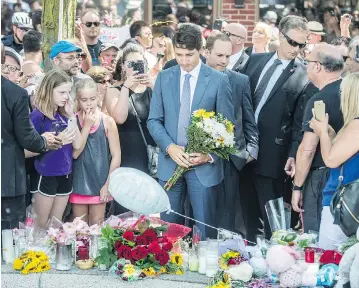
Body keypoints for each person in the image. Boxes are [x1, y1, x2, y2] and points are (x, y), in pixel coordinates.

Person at [147, 23, 235, 239]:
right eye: (179, 55)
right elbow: (153, 121)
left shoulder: (219, 80)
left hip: (203, 169)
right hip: (170, 165)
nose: (184, 61)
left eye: (189, 55)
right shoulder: (164, 77)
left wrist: (209, 155)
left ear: (201, 50)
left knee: (205, 233)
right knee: (168, 232)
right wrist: (170, 147)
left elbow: (229, 128)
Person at [240, 15, 311, 240]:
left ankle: (275, 258)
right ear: (280, 36)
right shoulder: (255, 61)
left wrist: (292, 154)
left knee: (272, 216)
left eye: (302, 45)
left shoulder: (303, 74)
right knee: (246, 212)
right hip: (242, 150)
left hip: (273, 155)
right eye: (293, 43)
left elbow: (299, 123)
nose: (297, 49)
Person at [1, 44, 62, 230]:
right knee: (8, 241)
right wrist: (45, 141)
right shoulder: (14, 93)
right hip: (7, 180)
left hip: (8, 178)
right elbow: (28, 138)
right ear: (3, 60)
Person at [204, 33, 258, 233]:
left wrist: (251, 150)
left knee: (227, 212)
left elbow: (248, 119)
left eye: (227, 56)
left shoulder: (240, 81)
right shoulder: (193, 78)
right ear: (206, 52)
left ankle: (225, 254)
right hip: (197, 156)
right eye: (219, 55)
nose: (224, 61)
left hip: (231, 157)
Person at [291, 43, 344, 233]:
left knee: (316, 237)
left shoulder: (319, 99)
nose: (306, 65)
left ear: (318, 66)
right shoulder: (351, 91)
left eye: (308, 61)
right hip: (349, 175)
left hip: (322, 176)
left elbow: (308, 149)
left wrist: (297, 187)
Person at [309, 72, 359, 249]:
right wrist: (329, 133)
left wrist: (322, 132)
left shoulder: (356, 125)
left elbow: (331, 160)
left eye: (343, 92)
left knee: (330, 259)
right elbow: (345, 153)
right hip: (348, 200)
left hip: (342, 202)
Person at [104, 43, 155, 214]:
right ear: (122, 66)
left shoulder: (153, 88)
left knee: (149, 208)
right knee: (126, 210)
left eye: (139, 64)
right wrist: (126, 87)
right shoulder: (114, 90)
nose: (135, 68)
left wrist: (154, 86)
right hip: (127, 156)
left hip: (152, 156)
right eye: (130, 64)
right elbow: (119, 117)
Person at [28, 69, 82, 229]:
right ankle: (37, 254)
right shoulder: (38, 116)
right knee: (41, 225)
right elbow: (26, 150)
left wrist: (72, 116)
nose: (66, 97)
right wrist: (56, 141)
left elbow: (77, 145)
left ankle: (52, 253)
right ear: (49, 90)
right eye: (61, 92)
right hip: (44, 174)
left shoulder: (65, 115)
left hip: (65, 174)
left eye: (68, 92)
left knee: (56, 225)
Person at [70, 79, 121, 225]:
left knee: (97, 225)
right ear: (77, 100)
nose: (89, 103)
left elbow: (116, 155)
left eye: (92, 99)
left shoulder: (107, 121)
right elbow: (75, 153)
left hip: (100, 183)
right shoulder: (73, 121)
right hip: (79, 182)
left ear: (98, 96)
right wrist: (86, 126)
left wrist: (108, 184)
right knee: (79, 228)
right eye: (84, 100)